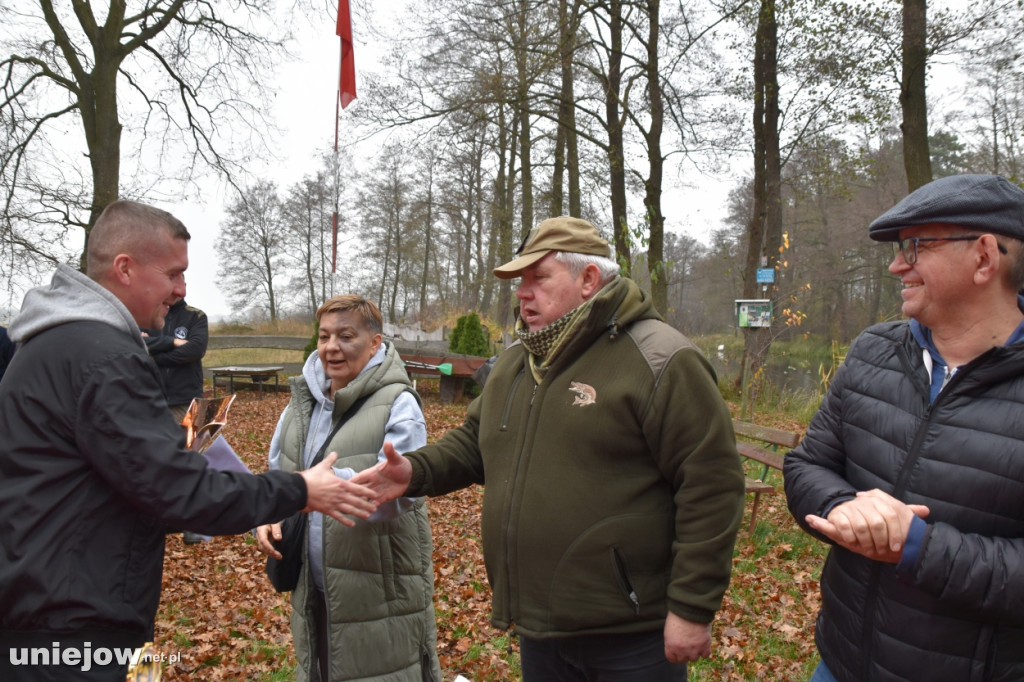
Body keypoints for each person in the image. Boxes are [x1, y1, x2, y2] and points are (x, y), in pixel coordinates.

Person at [0, 200, 379, 682]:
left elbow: (125, 478)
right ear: (125, 268)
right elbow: (181, 491)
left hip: (49, 599)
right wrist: (301, 489)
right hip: (74, 624)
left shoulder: (55, 344)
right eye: (173, 274)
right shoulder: (103, 357)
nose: (181, 290)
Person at [354, 216, 746, 681]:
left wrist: (692, 608)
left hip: (631, 637)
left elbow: (711, 485)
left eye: (538, 278)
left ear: (589, 279)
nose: (522, 294)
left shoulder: (661, 359)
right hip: (540, 627)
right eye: (520, 281)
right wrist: (413, 472)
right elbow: (476, 442)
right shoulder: (519, 361)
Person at [783, 174, 1024, 682]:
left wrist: (917, 546)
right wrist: (840, 506)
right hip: (840, 663)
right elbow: (807, 464)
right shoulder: (874, 351)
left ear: (984, 257)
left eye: (915, 247)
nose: (896, 266)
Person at [255, 294, 441, 682]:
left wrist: (316, 488)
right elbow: (279, 473)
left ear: (374, 343)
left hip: (378, 592)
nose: (331, 347)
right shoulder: (300, 405)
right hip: (312, 586)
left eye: (345, 336)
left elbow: (399, 495)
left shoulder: (399, 403)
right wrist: (269, 514)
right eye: (324, 336)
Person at [143, 296, 209, 423]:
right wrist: (173, 341)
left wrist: (154, 356)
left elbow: (195, 350)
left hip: (187, 401)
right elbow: (134, 343)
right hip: (151, 400)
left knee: (191, 437)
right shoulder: (146, 316)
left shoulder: (196, 316)